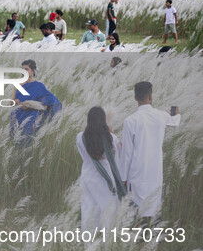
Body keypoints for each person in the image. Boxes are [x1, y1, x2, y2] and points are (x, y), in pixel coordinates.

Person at [119, 82, 180, 225]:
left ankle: (139, 239)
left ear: (135, 97)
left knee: (136, 206)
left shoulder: (130, 121)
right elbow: (174, 122)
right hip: (155, 170)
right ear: (151, 96)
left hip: (137, 171)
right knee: (153, 202)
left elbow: (127, 153)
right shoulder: (161, 116)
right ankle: (154, 237)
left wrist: (123, 177)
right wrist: (177, 114)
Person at [76, 107, 124, 232]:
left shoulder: (80, 137)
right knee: (109, 207)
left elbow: (84, 156)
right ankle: (108, 238)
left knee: (88, 208)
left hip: (87, 176)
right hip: (106, 177)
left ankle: (89, 241)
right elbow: (120, 152)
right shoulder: (110, 138)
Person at [10, 59, 61, 145]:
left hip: (31, 119)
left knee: (28, 142)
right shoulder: (18, 85)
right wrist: (14, 101)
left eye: (26, 69)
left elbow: (47, 104)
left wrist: (30, 105)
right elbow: (11, 102)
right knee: (16, 143)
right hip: (18, 118)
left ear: (33, 71)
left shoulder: (38, 86)